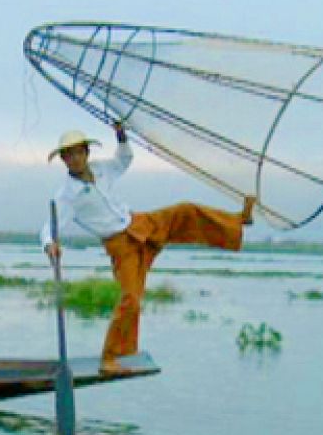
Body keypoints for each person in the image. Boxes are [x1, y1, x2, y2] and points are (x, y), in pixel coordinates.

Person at [40, 121, 255, 374]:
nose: (75, 158)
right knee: (130, 299)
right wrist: (50, 244)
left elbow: (124, 159)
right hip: (121, 245)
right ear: (64, 160)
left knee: (184, 211)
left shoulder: (101, 169)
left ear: (87, 153)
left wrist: (121, 136)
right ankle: (109, 358)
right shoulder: (66, 195)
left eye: (79, 152)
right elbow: (49, 228)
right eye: (69, 155)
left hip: (139, 223)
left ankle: (237, 220)